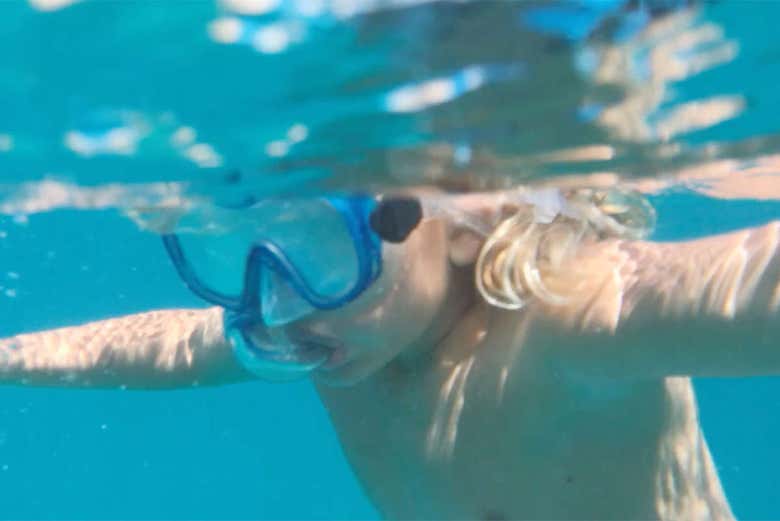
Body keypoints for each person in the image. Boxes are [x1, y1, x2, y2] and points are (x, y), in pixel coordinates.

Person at [1, 183, 778, 520]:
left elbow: (743, 292)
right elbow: (173, 344)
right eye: (239, 251)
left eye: (323, 248)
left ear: (465, 206)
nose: (276, 299)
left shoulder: (563, 316)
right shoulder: (329, 330)